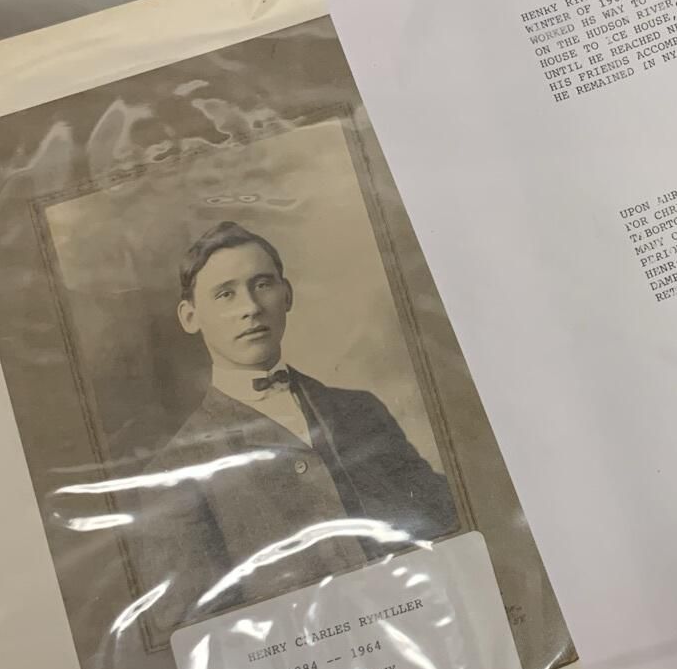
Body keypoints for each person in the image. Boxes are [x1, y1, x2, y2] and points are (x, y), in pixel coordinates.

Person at [131, 221, 457, 646]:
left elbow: (443, 523)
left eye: (262, 284)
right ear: (190, 317)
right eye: (225, 294)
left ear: (286, 295)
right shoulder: (175, 473)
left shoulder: (360, 410)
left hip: (426, 638)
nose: (251, 307)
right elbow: (200, 637)